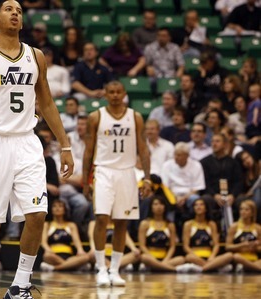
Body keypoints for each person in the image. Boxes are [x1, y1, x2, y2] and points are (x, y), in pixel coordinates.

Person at [0, 0, 73, 299]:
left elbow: (47, 102)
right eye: (9, 9)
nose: (15, 13)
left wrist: (64, 145)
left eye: (20, 11)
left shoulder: (36, 56)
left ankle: (19, 288)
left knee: (37, 214)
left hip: (27, 142)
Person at [82, 80, 151, 287]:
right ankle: (101, 268)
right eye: (110, 92)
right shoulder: (96, 117)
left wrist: (147, 177)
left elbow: (144, 149)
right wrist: (86, 180)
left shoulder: (135, 117)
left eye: (117, 92)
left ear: (124, 93)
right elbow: (88, 150)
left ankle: (115, 269)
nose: (114, 95)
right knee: (102, 218)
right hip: (103, 170)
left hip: (127, 172)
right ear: (105, 94)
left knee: (122, 221)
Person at [181, 198, 234, 273]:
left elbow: (216, 244)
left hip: (209, 256)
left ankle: (203, 268)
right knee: (188, 257)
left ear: (206, 208)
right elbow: (186, 246)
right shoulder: (188, 224)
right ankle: (214, 268)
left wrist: (212, 256)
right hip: (195, 256)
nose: (198, 207)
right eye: (196, 205)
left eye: (201, 204)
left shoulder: (211, 224)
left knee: (229, 255)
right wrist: (195, 256)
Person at [40, 200, 91, 272]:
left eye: (60, 206)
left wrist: (80, 250)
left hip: (69, 257)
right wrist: (48, 249)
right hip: (53, 255)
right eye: (54, 206)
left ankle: (54, 268)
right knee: (46, 256)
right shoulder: (47, 225)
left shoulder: (71, 225)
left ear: (64, 210)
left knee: (85, 257)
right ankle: (73, 266)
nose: (57, 208)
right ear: (51, 210)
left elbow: (77, 241)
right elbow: (43, 241)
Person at [138, 196, 185, 272]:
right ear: (151, 207)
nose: (158, 207)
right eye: (155, 204)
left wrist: (166, 260)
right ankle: (172, 269)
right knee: (143, 257)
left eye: (161, 204)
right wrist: (153, 259)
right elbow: (142, 246)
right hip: (150, 258)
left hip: (165, 258)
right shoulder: (145, 224)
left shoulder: (170, 225)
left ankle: (158, 267)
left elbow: (172, 246)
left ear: (165, 207)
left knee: (181, 259)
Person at [226, 199, 261, 272]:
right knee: (235, 256)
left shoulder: (257, 228)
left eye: (246, 210)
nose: (243, 212)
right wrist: (242, 245)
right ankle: (256, 269)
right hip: (240, 257)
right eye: (241, 209)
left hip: (254, 258)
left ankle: (250, 267)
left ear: (252, 213)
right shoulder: (234, 227)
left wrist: (255, 246)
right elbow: (228, 247)